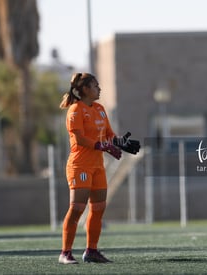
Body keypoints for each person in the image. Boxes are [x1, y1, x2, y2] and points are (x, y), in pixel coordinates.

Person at [58, 72, 140, 264]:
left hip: (97, 166)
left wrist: (120, 143)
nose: (99, 88)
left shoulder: (100, 109)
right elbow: (79, 139)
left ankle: (91, 251)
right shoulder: (75, 110)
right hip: (80, 166)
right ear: (85, 89)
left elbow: (109, 135)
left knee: (99, 208)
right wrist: (102, 146)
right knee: (77, 208)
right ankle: (65, 253)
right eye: (95, 86)